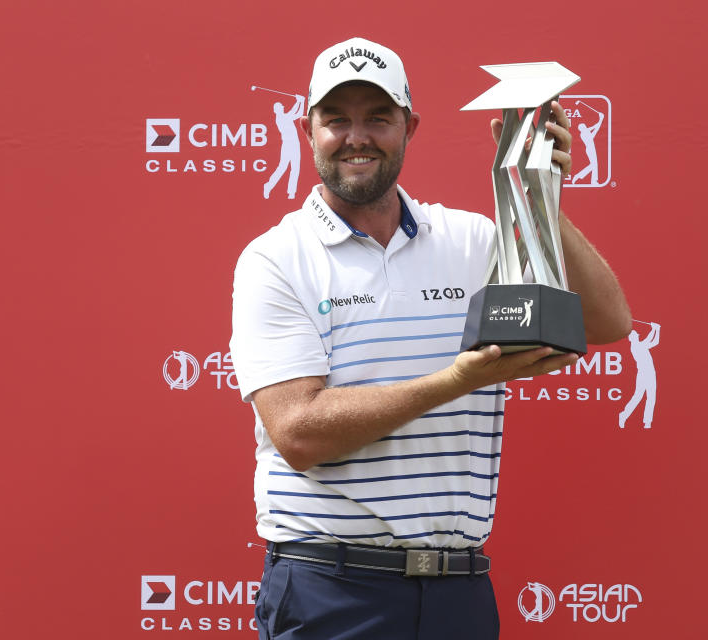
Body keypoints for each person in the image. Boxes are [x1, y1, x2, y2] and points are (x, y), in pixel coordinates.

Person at [230, 37, 631, 640]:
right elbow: (298, 432)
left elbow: (607, 323)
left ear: (410, 127)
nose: (356, 137)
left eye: (379, 119)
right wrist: (455, 382)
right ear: (308, 128)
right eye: (336, 119)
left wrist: (537, 193)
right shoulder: (276, 258)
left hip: (457, 593)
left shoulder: (470, 242)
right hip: (331, 592)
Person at [618, 322, 660, 429]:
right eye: (635, 336)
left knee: (651, 397)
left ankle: (647, 422)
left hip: (650, 373)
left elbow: (655, 342)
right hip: (643, 374)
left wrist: (657, 330)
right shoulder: (637, 346)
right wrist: (654, 329)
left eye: (637, 335)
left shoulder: (640, 345)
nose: (637, 336)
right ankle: (624, 415)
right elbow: (651, 340)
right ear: (631, 339)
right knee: (638, 397)